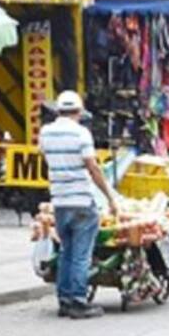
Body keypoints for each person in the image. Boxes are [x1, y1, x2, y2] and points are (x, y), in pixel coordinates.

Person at [39, 90, 118, 319]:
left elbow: (46, 157)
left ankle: (64, 299)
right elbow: (92, 167)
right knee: (81, 253)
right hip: (81, 199)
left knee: (66, 250)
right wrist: (110, 196)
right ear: (79, 111)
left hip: (60, 199)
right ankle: (78, 300)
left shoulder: (46, 132)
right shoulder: (81, 133)